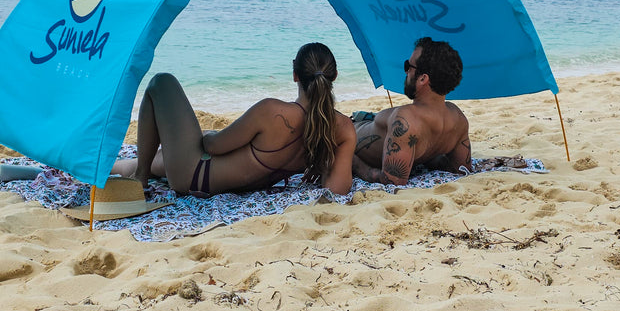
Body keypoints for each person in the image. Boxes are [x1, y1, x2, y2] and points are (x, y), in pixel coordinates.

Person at [114, 42, 356, 196]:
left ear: (295, 75)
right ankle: (126, 168)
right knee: (154, 161)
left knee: (161, 82)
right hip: (228, 181)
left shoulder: (272, 111)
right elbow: (337, 190)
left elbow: (213, 147)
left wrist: (211, 136)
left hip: (195, 177)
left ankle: (141, 178)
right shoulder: (343, 128)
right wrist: (324, 164)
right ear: (333, 77)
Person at [352, 36, 472, 185]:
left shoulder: (406, 120)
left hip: (346, 137)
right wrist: (430, 159)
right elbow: (461, 169)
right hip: (363, 124)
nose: (406, 71)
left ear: (423, 79)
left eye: (409, 66)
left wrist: (352, 160)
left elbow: (391, 181)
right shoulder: (457, 117)